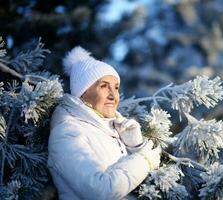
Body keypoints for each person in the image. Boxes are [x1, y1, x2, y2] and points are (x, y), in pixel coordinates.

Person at [47, 46, 161, 200]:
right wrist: (144, 160)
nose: (113, 95)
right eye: (103, 86)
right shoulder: (66, 133)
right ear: (83, 92)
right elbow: (100, 191)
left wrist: (135, 147)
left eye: (116, 87)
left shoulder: (110, 130)